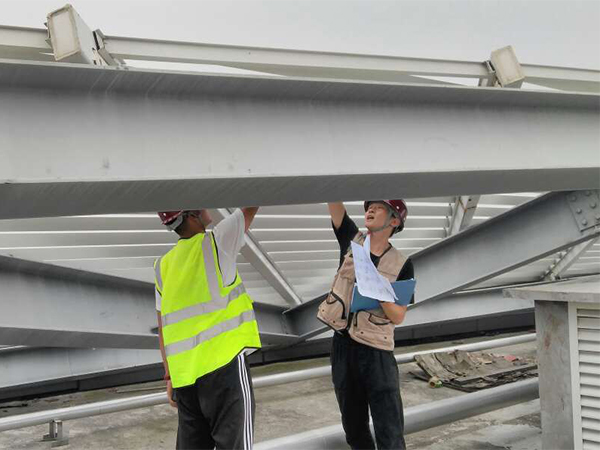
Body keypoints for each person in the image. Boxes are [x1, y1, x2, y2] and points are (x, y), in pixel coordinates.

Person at [154, 208, 261, 450]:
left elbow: (163, 326)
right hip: (225, 369)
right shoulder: (217, 243)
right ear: (192, 215)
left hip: (185, 378)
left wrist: (170, 375)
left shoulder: (162, 267)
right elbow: (254, 202)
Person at [317, 200, 414, 450]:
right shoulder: (352, 242)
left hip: (376, 351)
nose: (370, 210)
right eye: (369, 207)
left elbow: (398, 316)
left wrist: (378, 290)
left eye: (379, 208)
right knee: (353, 427)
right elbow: (334, 203)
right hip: (343, 346)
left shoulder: (402, 264)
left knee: (389, 431)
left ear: (394, 221)